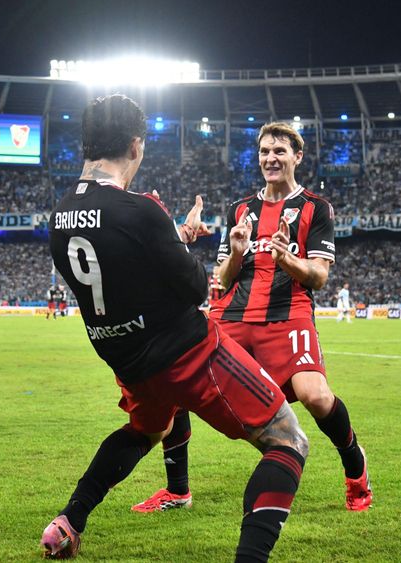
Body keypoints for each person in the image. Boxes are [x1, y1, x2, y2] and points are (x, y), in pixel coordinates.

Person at [40, 95, 310, 562]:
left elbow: (118, 268)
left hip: (127, 360)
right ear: (135, 146)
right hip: (189, 353)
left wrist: (170, 238)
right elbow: (194, 287)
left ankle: (68, 521)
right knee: (288, 441)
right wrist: (175, 239)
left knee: (148, 429)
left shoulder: (60, 215)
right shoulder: (141, 209)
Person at [134, 122, 371, 515]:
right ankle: (177, 490)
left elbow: (319, 276)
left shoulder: (316, 208)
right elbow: (224, 278)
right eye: (264, 152)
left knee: (315, 395)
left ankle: (355, 465)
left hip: (288, 313)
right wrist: (238, 252)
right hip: (234, 315)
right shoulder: (240, 210)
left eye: (279, 151)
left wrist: (286, 259)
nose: (270, 158)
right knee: (176, 380)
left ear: (297, 157)